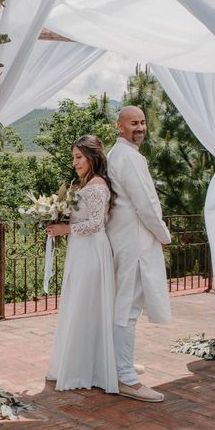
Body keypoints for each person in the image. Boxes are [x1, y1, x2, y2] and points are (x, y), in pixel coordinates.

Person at [106, 106, 171, 402]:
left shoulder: (122, 155)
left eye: (143, 122)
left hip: (126, 239)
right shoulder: (127, 157)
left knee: (125, 306)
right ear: (120, 126)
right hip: (133, 242)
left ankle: (122, 364)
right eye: (134, 123)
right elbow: (144, 203)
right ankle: (125, 378)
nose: (140, 127)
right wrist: (163, 234)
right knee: (127, 308)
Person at [45, 135, 118, 393]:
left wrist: (66, 228)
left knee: (87, 305)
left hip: (92, 251)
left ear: (92, 157)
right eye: (73, 157)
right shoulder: (85, 184)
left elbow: (97, 223)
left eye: (79, 157)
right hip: (81, 249)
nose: (75, 162)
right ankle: (77, 362)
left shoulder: (98, 186)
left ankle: (85, 368)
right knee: (78, 303)